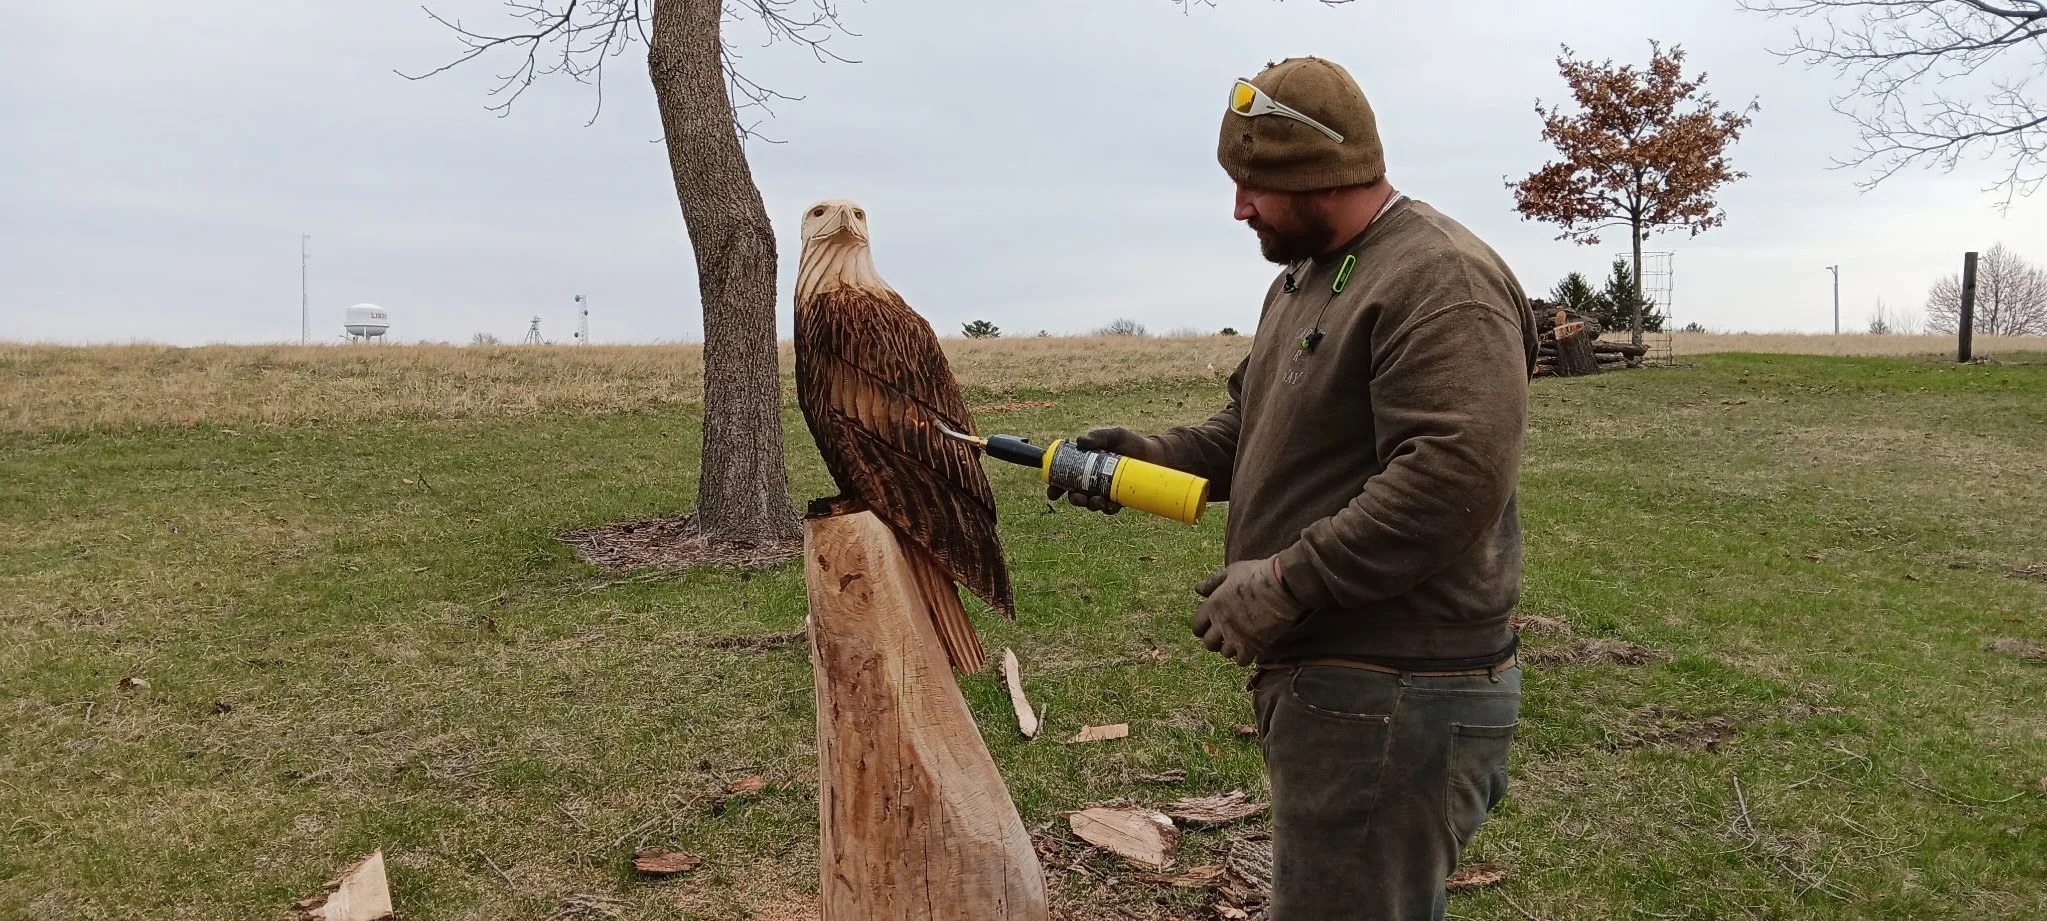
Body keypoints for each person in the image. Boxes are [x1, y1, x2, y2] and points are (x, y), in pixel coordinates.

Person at [1055, 56, 1537, 920]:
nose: (1239, 208)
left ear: (1322, 174)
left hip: (1398, 690)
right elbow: (1253, 430)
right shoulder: (1307, 278)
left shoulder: (1439, 282)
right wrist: (1147, 457)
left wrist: (1284, 581)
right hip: (1343, 686)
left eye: (1255, 185)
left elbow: (1449, 480)